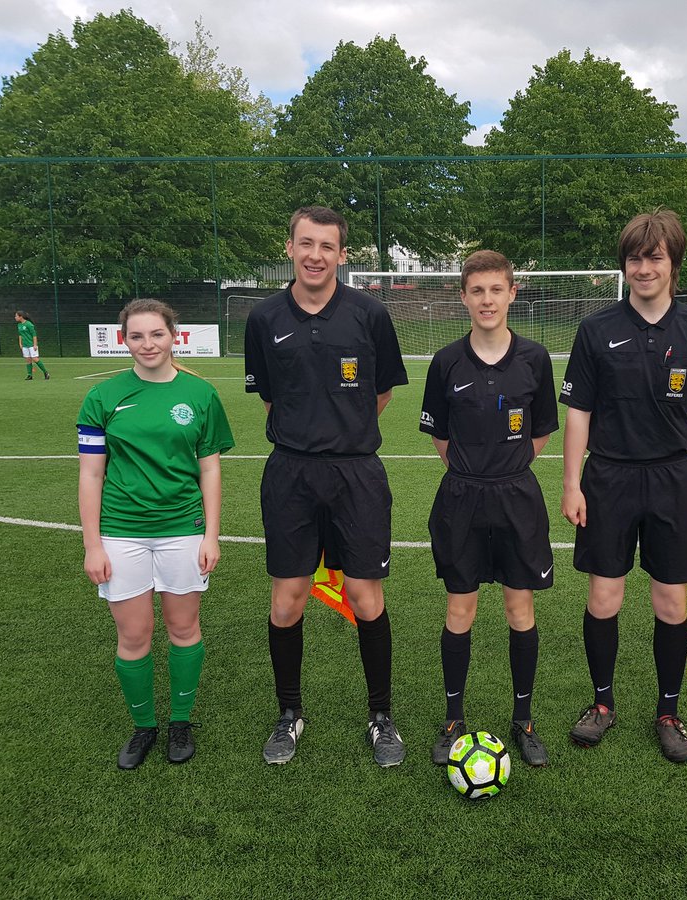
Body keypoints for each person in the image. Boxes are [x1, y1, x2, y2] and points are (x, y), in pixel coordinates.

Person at [559, 209, 687, 763]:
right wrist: (571, 482)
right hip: (607, 477)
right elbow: (578, 411)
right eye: (634, 258)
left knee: (670, 602)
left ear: (673, 262)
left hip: (674, 480)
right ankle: (602, 704)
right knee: (604, 596)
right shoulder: (596, 329)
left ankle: (668, 709)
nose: (643, 267)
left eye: (654, 257)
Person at [245, 206, 410, 768]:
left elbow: (381, 394)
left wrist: (343, 434)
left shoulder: (369, 314)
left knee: (366, 597)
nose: (315, 255)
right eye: (305, 243)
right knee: (287, 600)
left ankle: (381, 716)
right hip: (290, 473)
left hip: (356, 474)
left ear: (343, 254)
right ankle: (289, 714)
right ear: (289, 247)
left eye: (327, 246)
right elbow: (271, 396)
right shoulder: (264, 318)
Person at [77, 299, 234, 769]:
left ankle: (180, 721)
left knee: (183, 628)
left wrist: (211, 535)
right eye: (137, 336)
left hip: (182, 530)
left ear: (174, 336)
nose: (148, 344)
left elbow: (209, 469)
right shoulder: (103, 398)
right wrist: (92, 544)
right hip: (121, 531)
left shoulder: (200, 395)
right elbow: (90, 476)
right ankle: (143, 726)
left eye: (157, 334)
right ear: (124, 341)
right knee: (135, 635)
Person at [420, 250, 558, 768]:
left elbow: (543, 429)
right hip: (461, 498)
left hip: (518, 498)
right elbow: (440, 433)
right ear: (463, 297)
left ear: (512, 294)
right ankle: (454, 718)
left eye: (495, 290)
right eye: (476, 291)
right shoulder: (446, 361)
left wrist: (508, 467)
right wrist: (470, 471)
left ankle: (522, 719)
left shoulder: (536, 359)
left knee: (520, 609)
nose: (486, 300)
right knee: (460, 609)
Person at [15, 311, 49, 380]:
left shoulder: (29, 324)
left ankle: (46, 372)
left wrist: (35, 344)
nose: (15, 317)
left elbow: (34, 335)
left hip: (31, 344)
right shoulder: (19, 325)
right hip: (25, 345)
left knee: (35, 359)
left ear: (20, 316)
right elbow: (20, 335)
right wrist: (20, 344)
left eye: (16, 316)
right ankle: (29, 375)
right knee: (28, 360)